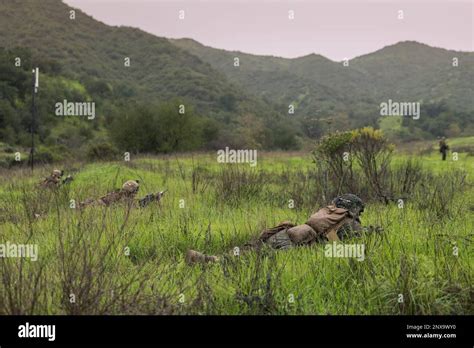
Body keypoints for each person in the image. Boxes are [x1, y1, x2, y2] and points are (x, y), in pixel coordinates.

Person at [186, 194, 379, 264]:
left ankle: (210, 258)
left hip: (285, 233)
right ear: (354, 209)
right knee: (256, 261)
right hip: (294, 244)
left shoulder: (326, 212)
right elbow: (350, 240)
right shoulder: (348, 221)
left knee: (252, 251)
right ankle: (212, 262)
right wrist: (374, 232)